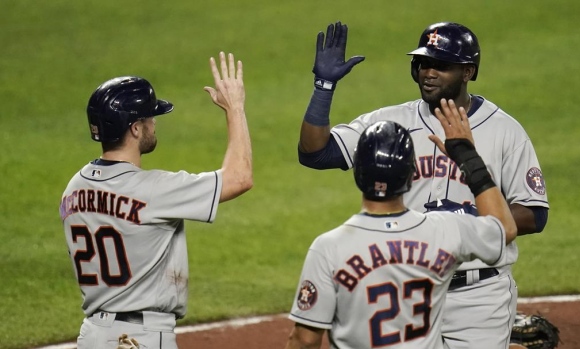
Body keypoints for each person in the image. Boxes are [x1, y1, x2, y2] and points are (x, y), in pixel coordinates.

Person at [297, 22, 549, 348]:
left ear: (468, 71)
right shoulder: (390, 123)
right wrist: (323, 87)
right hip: (410, 289)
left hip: (478, 295)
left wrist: (464, 223)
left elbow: (533, 213)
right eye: (422, 63)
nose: (428, 73)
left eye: (441, 66)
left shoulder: (504, 130)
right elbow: (316, 153)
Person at [59, 52, 252, 349]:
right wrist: (235, 108)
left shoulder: (74, 188)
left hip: (93, 336)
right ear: (135, 128)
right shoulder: (153, 190)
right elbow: (240, 177)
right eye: (150, 118)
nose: (154, 124)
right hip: (139, 339)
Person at [285, 109, 518, 348]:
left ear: (358, 174)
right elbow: (504, 228)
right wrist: (468, 158)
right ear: (411, 175)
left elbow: (304, 340)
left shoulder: (329, 248)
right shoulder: (446, 231)